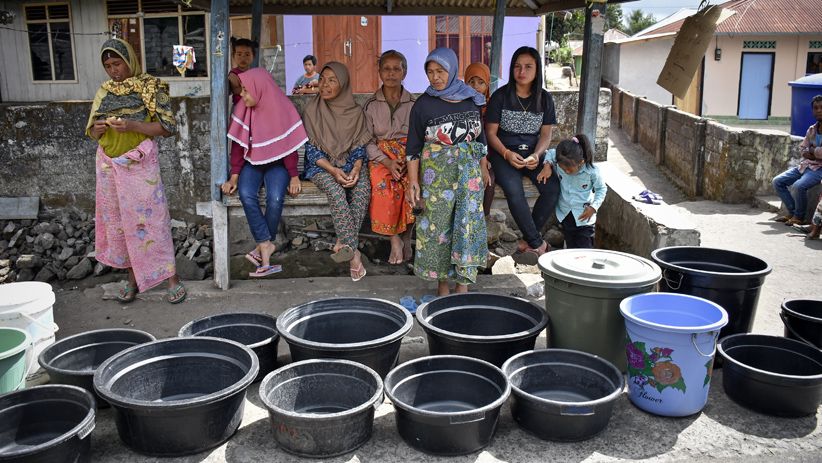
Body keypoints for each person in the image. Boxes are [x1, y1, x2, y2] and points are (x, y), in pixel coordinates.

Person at [86, 38, 185, 304]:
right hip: (109, 166)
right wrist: (97, 130)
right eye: (108, 65)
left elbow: (166, 127)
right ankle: (133, 279)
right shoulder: (104, 91)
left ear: (129, 60)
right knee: (120, 224)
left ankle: (171, 278)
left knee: (152, 221)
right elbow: (92, 128)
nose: (113, 70)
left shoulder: (152, 86)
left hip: (140, 165)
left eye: (117, 63)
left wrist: (132, 126)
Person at [406, 47, 490, 296]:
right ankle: (442, 286)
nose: (435, 77)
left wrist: (484, 167)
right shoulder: (423, 105)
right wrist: (413, 181)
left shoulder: (471, 98)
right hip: (436, 177)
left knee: (466, 226)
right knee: (437, 229)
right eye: (430, 72)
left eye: (440, 71)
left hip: (468, 175)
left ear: (452, 70)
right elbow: (413, 148)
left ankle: (462, 285)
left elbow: (480, 137)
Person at [221, 68, 308, 277]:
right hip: (252, 163)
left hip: (278, 165)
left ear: (258, 89)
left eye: (245, 90)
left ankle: (263, 250)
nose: (242, 95)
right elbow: (238, 146)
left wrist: (293, 175)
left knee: (276, 197)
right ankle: (265, 244)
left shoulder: (281, 107)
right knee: (246, 194)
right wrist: (234, 175)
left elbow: (289, 146)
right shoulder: (243, 107)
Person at [485, 46, 559, 264]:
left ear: (537, 70)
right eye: (517, 66)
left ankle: (529, 240)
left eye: (528, 66)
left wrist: (538, 155)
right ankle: (539, 244)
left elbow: (546, 135)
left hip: (532, 155)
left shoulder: (544, 99)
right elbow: (490, 133)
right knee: (514, 190)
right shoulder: (501, 96)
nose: (522, 71)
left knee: (553, 188)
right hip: (503, 152)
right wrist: (507, 154)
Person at [302, 62, 371, 281]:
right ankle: (354, 253)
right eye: (322, 79)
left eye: (332, 80)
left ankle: (345, 243)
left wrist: (357, 168)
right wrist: (333, 170)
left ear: (343, 84)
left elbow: (359, 147)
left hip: (351, 164)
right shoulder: (312, 110)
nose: (325, 85)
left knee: (361, 190)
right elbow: (311, 150)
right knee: (336, 192)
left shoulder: (356, 112)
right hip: (321, 165)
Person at [364, 50, 416, 264]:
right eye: (386, 68)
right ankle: (394, 239)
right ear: (379, 72)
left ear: (404, 72)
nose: (391, 73)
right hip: (380, 157)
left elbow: (419, 138)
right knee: (383, 185)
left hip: (408, 155)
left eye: (397, 68)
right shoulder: (370, 105)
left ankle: (407, 236)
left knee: (412, 186)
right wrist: (386, 161)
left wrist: (407, 161)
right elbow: (365, 140)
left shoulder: (414, 104)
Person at [537, 134, 606, 249]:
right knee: (570, 249)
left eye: (569, 169)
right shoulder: (560, 157)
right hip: (566, 215)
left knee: (585, 252)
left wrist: (594, 207)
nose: (566, 171)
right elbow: (550, 153)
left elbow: (601, 189)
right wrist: (547, 166)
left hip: (585, 219)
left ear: (581, 162)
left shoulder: (592, 172)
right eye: (562, 169)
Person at [773, 95, 822, 226]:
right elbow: (802, 149)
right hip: (806, 165)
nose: (818, 110)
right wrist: (813, 152)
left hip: (819, 169)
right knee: (778, 181)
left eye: (821, 108)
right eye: (816, 108)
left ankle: (799, 217)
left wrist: (812, 151)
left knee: (799, 186)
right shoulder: (812, 129)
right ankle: (792, 212)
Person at [465, 62, 496, 217]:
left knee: (488, 181)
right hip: (468, 154)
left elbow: (493, 136)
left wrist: (487, 159)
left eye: (481, 82)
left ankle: (484, 219)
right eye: (471, 82)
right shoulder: (461, 106)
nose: (475, 86)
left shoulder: (493, 106)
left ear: (487, 85)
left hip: (490, 155)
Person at [228, 37, 257, 105]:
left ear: (253, 56)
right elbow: (236, 90)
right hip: (240, 109)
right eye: (239, 54)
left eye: (247, 54)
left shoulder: (254, 73)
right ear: (233, 56)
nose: (243, 58)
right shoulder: (233, 74)